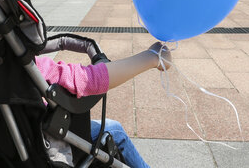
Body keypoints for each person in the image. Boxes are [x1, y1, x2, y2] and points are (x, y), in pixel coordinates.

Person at [36, 42, 172, 168]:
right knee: (115, 129)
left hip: (27, 140)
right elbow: (88, 79)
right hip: (51, 142)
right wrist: (153, 57)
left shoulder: (14, 72)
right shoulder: (29, 65)